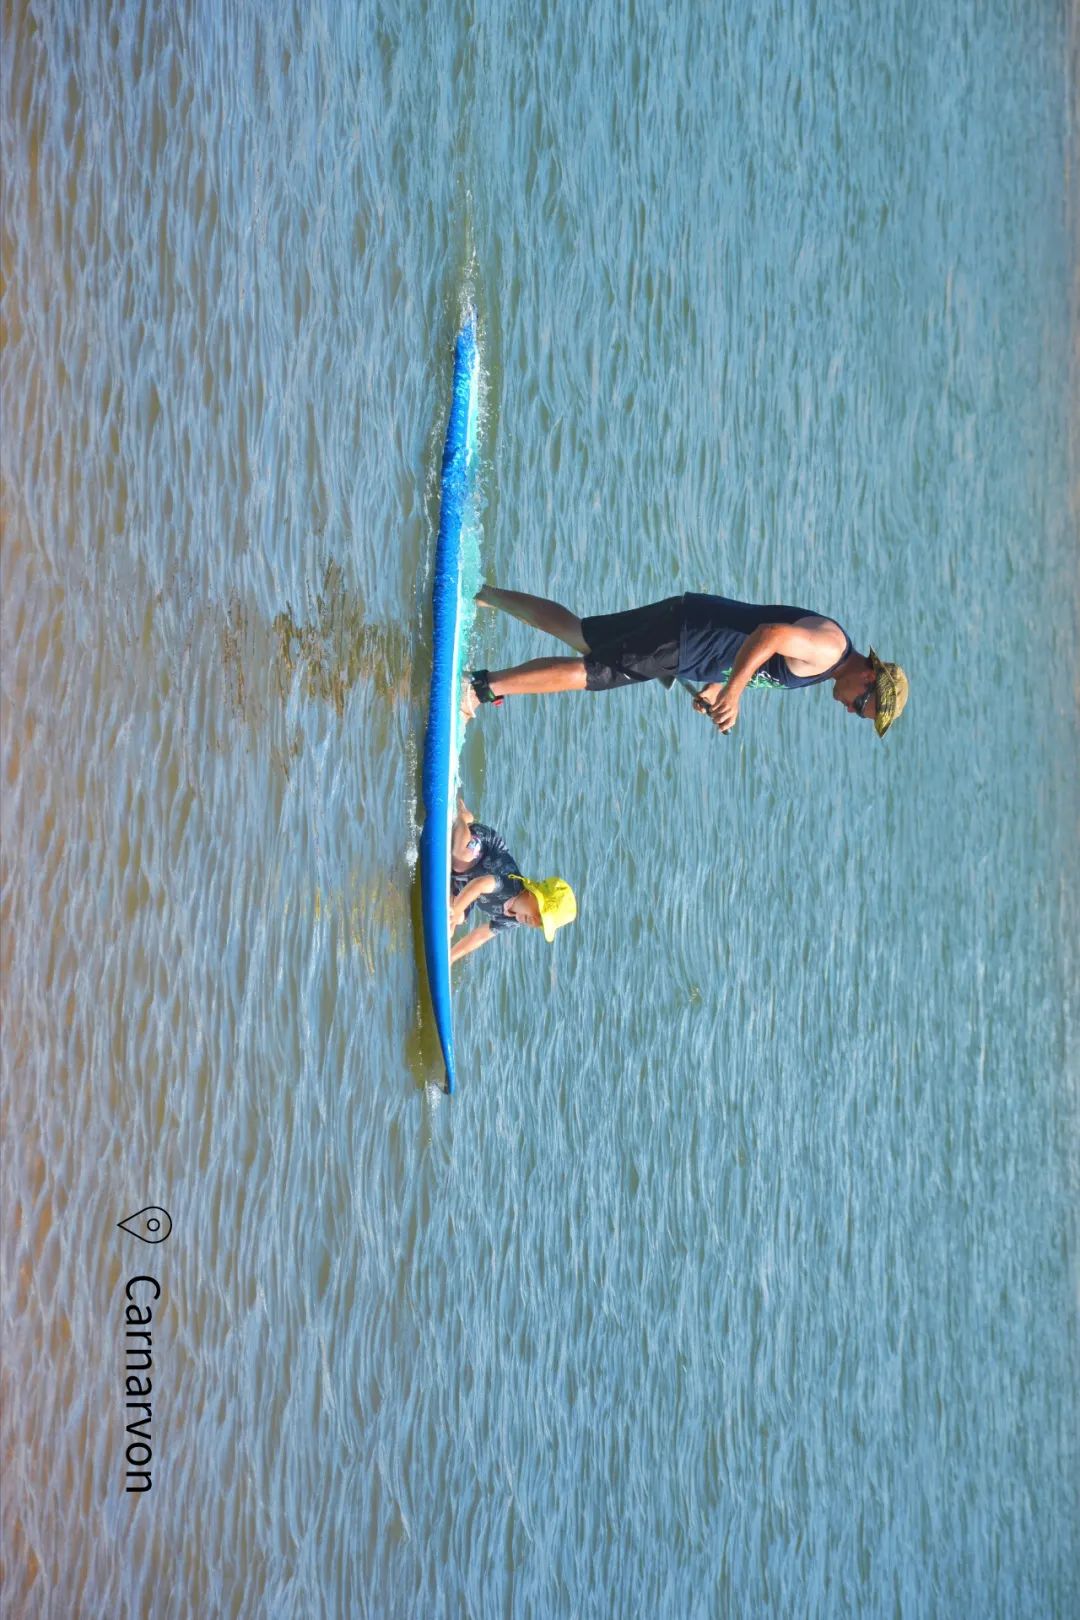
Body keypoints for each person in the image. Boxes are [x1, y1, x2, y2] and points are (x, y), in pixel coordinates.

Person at [461, 585, 908, 737]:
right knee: (592, 674)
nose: (849, 709)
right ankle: (481, 688)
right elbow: (770, 635)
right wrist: (733, 691)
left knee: (582, 635)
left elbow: (759, 656)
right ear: (869, 676)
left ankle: (485, 593)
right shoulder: (831, 649)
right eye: (860, 705)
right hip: (690, 639)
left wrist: (718, 687)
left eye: (857, 713)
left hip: (692, 628)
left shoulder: (829, 666)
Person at [449, 797, 577, 965]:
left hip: (466, 880)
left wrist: (450, 958)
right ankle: (464, 819)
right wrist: (457, 910)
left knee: (456, 919)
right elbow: (479, 885)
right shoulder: (511, 884)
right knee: (461, 858)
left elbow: (479, 936)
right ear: (533, 895)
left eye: (541, 925)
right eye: (540, 915)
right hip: (480, 850)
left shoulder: (513, 921)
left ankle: (450, 884)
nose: (535, 922)